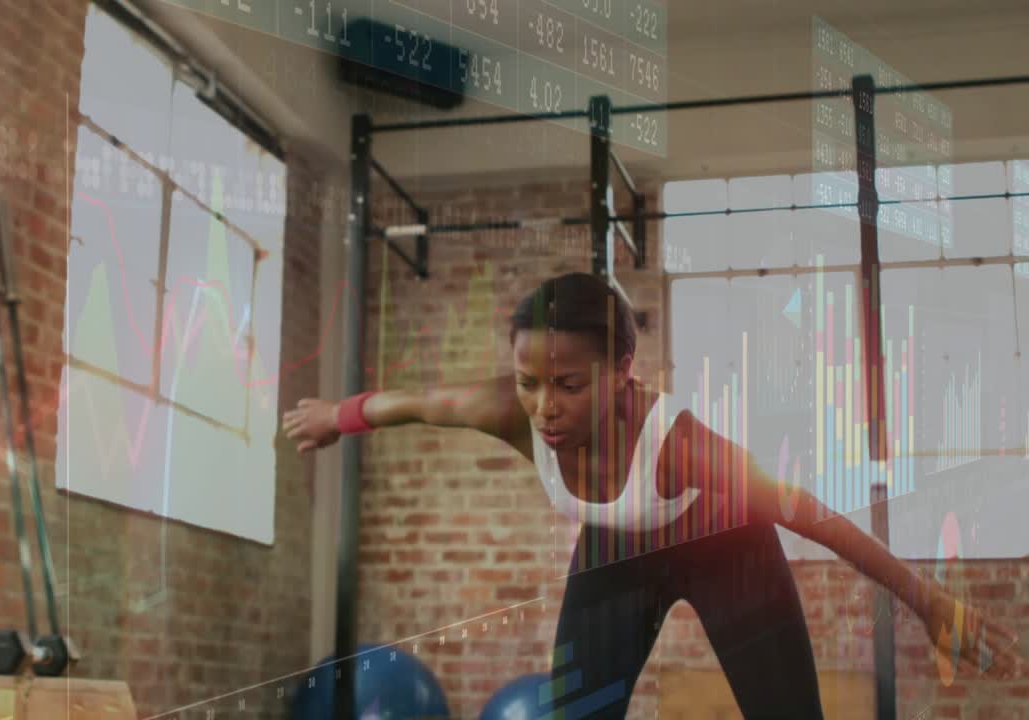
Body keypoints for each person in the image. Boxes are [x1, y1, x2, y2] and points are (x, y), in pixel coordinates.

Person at [283, 272, 1022, 718]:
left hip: (727, 550)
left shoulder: (681, 447)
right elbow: (411, 404)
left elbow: (812, 514)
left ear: (622, 372)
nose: (544, 408)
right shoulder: (510, 412)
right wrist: (335, 418)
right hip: (615, 559)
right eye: (529, 382)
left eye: (568, 385)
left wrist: (928, 600)